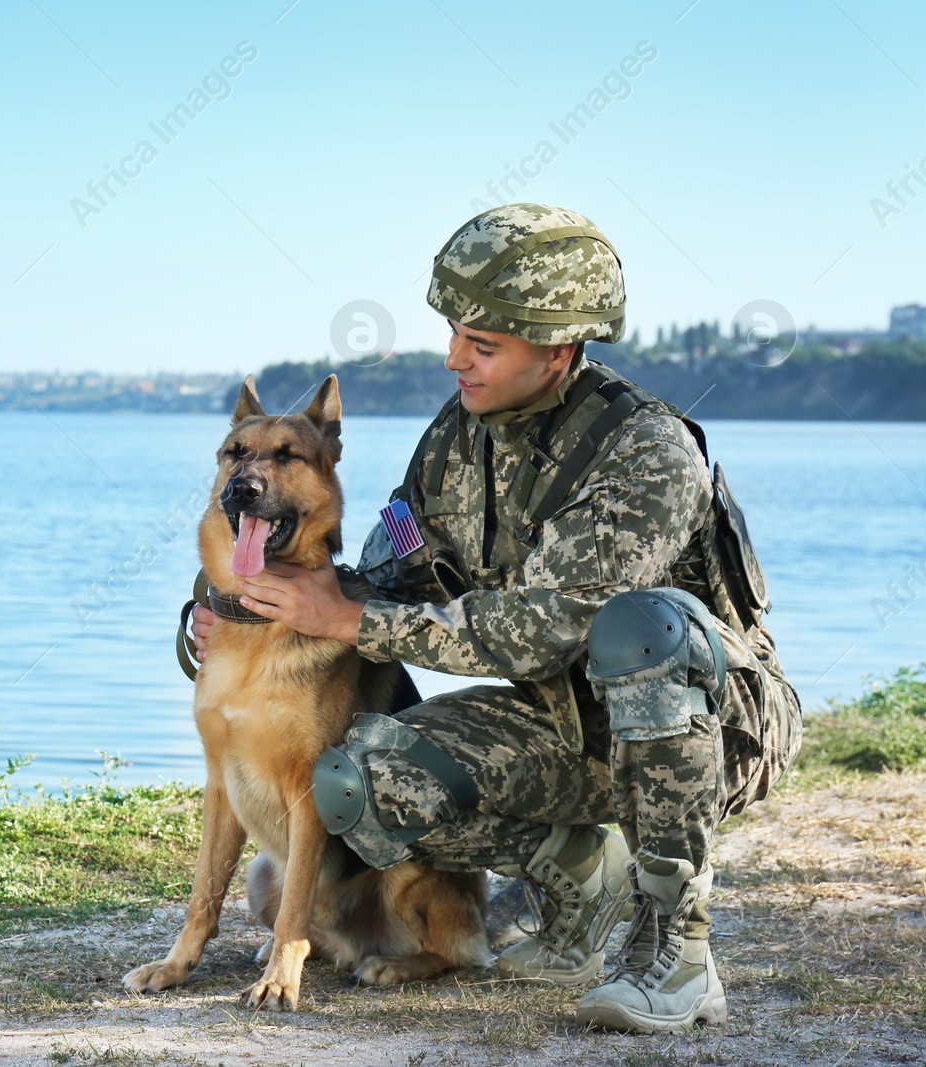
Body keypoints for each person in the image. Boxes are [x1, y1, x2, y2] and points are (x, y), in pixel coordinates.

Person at [187, 203, 801, 1033]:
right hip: (565, 721)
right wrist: (235, 612)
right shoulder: (455, 440)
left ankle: (678, 951)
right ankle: (583, 872)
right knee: (358, 778)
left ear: (556, 350)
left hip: (714, 724)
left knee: (639, 627)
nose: (453, 361)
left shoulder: (643, 451)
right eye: (454, 336)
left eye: (482, 345)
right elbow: (382, 579)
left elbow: (547, 626)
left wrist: (347, 622)